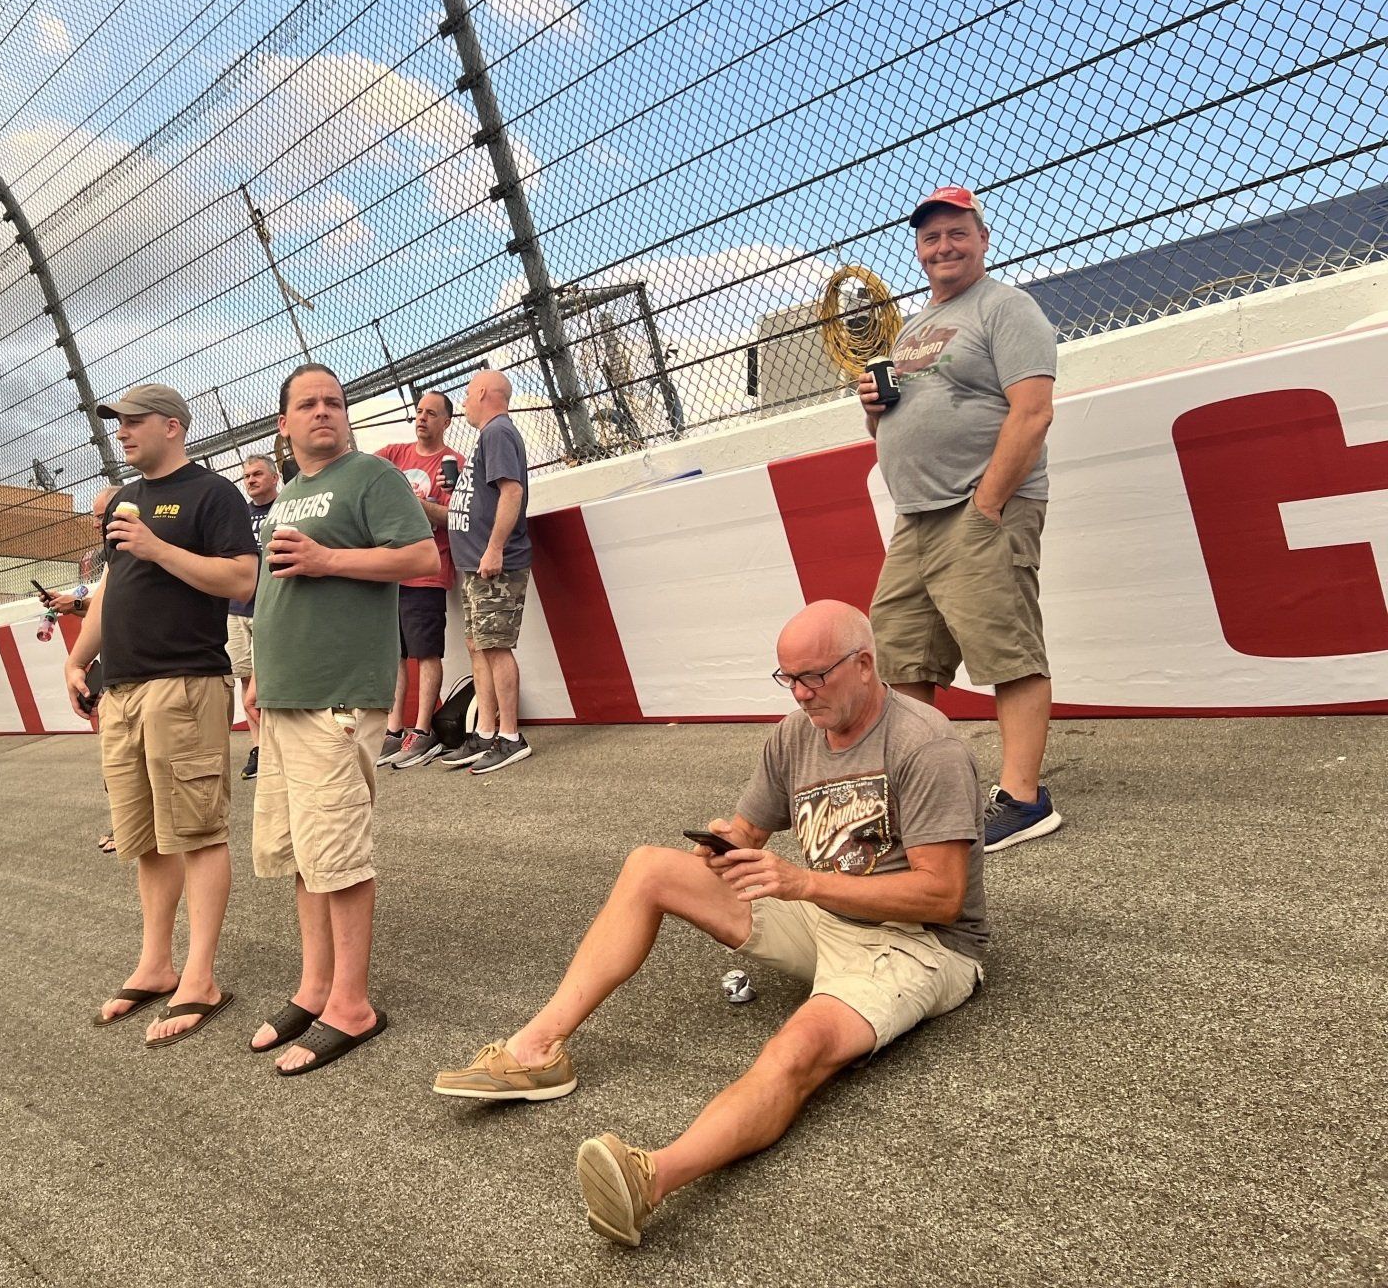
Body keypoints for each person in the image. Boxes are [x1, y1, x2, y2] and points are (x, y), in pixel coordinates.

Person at [432, 601, 986, 1249]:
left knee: (799, 1046)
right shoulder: (794, 734)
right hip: (825, 912)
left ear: (864, 666)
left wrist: (801, 882)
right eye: (788, 679)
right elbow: (749, 830)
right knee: (649, 868)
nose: (801, 694)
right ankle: (537, 1051)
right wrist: (727, 842)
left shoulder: (926, 745)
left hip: (916, 945)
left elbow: (942, 896)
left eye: (814, 677)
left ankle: (650, 1179)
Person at [246, 363, 437, 1074]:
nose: (323, 411)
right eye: (308, 404)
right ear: (285, 424)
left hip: (338, 696)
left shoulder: (369, 479)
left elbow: (418, 555)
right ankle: (315, 987)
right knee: (304, 854)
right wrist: (261, 675)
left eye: (334, 401)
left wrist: (329, 557)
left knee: (340, 853)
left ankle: (352, 1005)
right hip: (287, 697)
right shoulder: (289, 494)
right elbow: (272, 593)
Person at [859, 185, 1060, 851]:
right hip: (915, 518)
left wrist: (988, 505)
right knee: (904, 656)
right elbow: (896, 424)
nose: (943, 246)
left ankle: (1026, 799)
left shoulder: (1007, 307)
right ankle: (930, 792)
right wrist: (872, 407)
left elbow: (1032, 411)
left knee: (1007, 651)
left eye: (956, 233)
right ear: (918, 251)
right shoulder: (914, 329)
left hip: (980, 507)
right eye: (931, 237)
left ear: (982, 239)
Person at [63, 384, 260, 1046]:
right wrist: (76, 660)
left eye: (133, 421)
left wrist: (157, 548)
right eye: (117, 424)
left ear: (172, 426)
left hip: (184, 684)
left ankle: (200, 976)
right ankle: (156, 963)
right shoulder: (123, 502)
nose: (121, 432)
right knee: (144, 836)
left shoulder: (214, 495)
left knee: (198, 832)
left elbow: (243, 581)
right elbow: (112, 588)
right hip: (120, 689)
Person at [444, 368, 534, 774]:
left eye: (466, 394)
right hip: (474, 564)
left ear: (482, 391)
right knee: (479, 646)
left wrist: (494, 548)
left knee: (496, 646)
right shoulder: (489, 436)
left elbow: (511, 490)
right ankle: (484, 732)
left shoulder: (498, 432)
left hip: (492, 564)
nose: (463, 402)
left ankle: (511, 736)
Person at [374, 391, 466, 769]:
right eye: (419, 412)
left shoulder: (454, 464)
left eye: (431, 413)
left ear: (446, 421)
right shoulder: (394, 454)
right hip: (391, 571)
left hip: (428, 571)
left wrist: (414, 504)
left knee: (426, 651)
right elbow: (357, 471)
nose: (422, 418)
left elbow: (455, 518)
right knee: (394, 653)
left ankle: (423, 729)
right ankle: (395, 728)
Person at [43, 489, 115, 849]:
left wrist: (77, 604)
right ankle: (125, 823)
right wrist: (70, 604)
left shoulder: (136, 548)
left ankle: (133, 826)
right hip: (111, 661)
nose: (96, 522)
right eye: (95, 516)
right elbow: (99, 605)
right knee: (112, 753)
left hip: (143, 671)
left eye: (102, 515)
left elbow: (114, 604)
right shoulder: (99, 558)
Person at [226, 454, 279, 780]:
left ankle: (276, 746)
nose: (251, 480)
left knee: (267, 681)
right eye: (246, 476)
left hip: (268, 607)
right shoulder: (239, 515)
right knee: (245, 679)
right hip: (236, 608)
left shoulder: (285, 507)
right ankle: (259, 746)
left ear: (274, 477)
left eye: (258, 474)